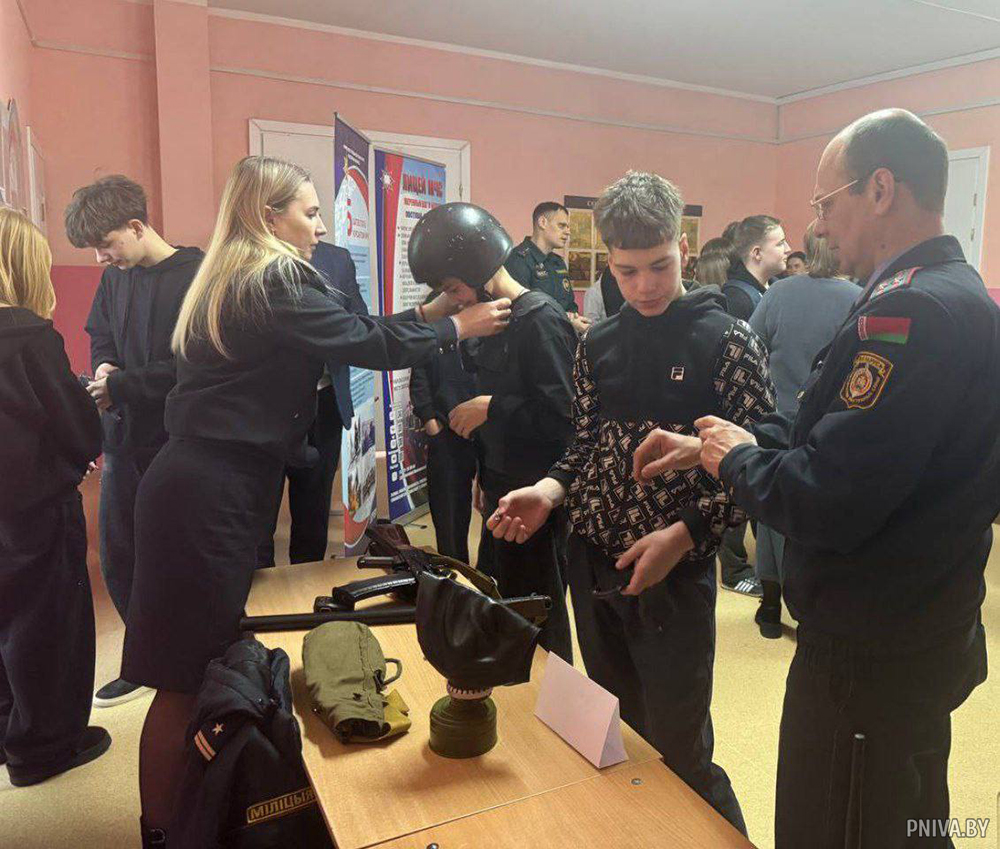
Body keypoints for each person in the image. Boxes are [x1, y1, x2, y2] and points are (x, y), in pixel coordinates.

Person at [122, 157, 511, 847]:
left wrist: (429, 313)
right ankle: (161, 832)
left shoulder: (237, 275)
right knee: (181, 678)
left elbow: (348, 326)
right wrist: (458, 327)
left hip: (201, 485)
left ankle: (190, 813)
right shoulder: (273, 277)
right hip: (203, 496)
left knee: (198, 664)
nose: (321, 226)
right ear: (268, 216)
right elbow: (365, 341)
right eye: (308, 211)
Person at [638, 109, 1000, 849]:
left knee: (836, 826)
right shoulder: (958, 292)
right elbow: (827, 431)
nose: (818, 224)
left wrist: (732, 461)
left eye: (826, 201)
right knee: (910, 817)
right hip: (923, 620)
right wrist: (718, 444)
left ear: (881, 189)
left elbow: (826, 495)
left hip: (868, 651)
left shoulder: (908, 313)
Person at [486, 172, 776, 833]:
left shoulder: (728, 339)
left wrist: (685, 533)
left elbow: (762, 463)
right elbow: (585, 442)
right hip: (592, 562)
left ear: (684, 247)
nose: (644, 286)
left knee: (681, 748)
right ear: (608, 263)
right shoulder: (597, 341)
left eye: (660, 266)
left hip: (674, 572)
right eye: (626, 271)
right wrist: (550, 489)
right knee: (617, 729)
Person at [409, 202, 576, 662]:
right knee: (501, 605)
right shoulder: (493, 321)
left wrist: (492, 407)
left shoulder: (541, 320)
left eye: (453, 288)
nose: (453, 301)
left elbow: (565, 419)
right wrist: (485, 476)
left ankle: (551, 699)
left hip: (536, 495)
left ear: (479, 272)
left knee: (538, 618)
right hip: (501, 484)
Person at [66, 175, 204, 708]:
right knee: (120, 554)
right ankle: (144, 656)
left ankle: (189, 660)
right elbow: (101, 333)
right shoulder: (114, 278)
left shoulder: (197, 276)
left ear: (137, 225)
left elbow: (195, 366)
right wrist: (105, 365)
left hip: (179, 440)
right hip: (123, 438)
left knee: (177, 555)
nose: (101, 257)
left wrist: (121, 385)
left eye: (107, 244)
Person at [0, 208, 109, 786]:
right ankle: (42, 748)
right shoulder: (29, 336)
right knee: (47, 626)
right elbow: (76, 426)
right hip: (34, 509)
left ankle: (6, 730)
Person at [747, 223, 859, 638]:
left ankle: (770, 604)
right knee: (818, 512)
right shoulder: (859, 298)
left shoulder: (778, 293)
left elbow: (749, 346)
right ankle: (812, 606)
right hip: (830, 425)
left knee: (772, 513)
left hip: (778, 419)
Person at [256, 240, 368, 567]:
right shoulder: (250, 259)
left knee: (313, 511)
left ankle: (306, 586)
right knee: (259, 515)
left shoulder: (337, 258)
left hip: (325, 404)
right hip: (266, 410)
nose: (320, 226)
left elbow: (359, 321)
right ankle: (259, 592)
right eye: (310, 215)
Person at [717, 214, 791, 596]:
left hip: (758, 408)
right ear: (757, 252)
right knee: (736, 486)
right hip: (736, 409)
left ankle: (763, 569)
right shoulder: (738, 297)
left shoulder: (764, 292)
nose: (788, 249)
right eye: (780, 243)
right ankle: (733, 570)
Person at [410, 292, 479, 563]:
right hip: (445, 431)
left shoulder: (486, 318)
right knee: (448, 508)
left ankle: (486, 574)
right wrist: (431, 424)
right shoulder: (434, 320)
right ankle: (454, 567)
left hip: (485, 428)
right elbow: (419, 378)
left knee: (490, 505)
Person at [505, 201, 591, 335]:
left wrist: (575, 319)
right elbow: (520, 313)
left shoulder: (558, 262)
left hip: (562, 340)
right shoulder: (518, 260)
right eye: (562, 226)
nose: (568, 232)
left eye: (568, 227)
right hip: (534, 341)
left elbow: (570, 305)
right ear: (542, 222)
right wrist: (567, 321)